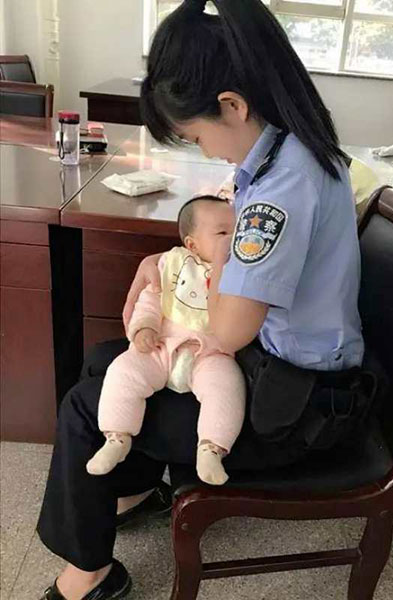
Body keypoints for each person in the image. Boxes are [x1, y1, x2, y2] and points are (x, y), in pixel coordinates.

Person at [37, 0, 364, 598]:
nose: (206, 151)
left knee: (88, 403)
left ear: (232, 106)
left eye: (196, 135)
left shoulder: (281, 189)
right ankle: (136, 492)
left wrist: (171, 284)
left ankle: (90, 576)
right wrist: (163, 263)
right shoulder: (286, 154)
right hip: (280, 368)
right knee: (103, 362)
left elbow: (229, 327)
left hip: (294, 407)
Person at [86, 196, 245, 486]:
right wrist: (143, 328)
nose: (232, 239)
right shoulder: (172, 264)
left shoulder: (240, 270)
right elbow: (150, 299)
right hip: (162, 345)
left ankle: (211, 448)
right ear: (192, 244)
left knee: (226, 386)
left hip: (209, 353)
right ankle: (117, 437)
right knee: (123, 371)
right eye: (223, 233)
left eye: (237, 230)